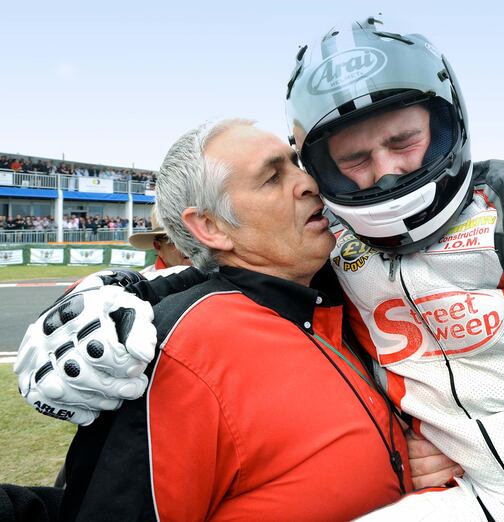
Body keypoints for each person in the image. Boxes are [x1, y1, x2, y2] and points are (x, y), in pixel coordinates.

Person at [14, 19, 504, 521]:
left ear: (445, 120)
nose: (380, 174)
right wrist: (111, 296)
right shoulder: (320, 249)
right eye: (350, 157)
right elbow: (232, 284)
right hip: (468, 496)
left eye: (405, 141)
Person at [3, 119, 410, 520]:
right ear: (211, 227)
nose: (309, 183)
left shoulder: (328, 294)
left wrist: (403, 467)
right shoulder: (175, 350)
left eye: (295, 165)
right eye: (271, 178)